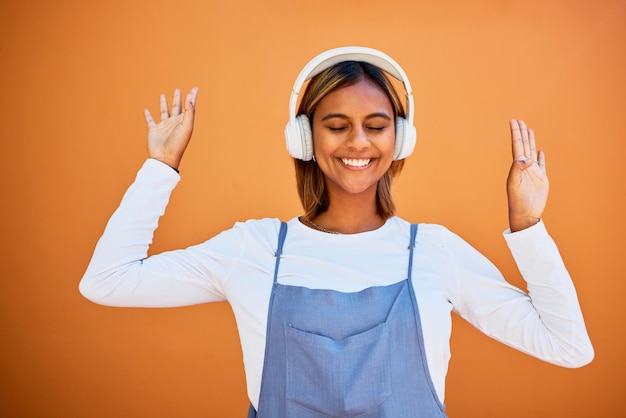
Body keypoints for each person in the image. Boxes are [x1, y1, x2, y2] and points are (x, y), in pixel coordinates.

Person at [80, 47, 594, 417]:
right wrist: (160, 167)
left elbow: (568, 346)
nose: (358, 142)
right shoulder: (254, 249)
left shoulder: (433, 252)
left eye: (376, 124)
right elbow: (106, 280)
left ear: (401, 137)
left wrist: (527, 227)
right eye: (336, 124)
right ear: (303, 136)